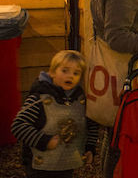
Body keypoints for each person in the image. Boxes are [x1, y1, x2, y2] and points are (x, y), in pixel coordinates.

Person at [11, 50, 99, 178]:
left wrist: (89, 148)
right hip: (40, 166)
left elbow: (91, 124)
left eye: (76, 73)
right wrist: (44, 140)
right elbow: (18, 126)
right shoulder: (39, 99)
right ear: (52, 72)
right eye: (65, 71)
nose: (70, 76)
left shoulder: (80, 101)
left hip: (66, 162)